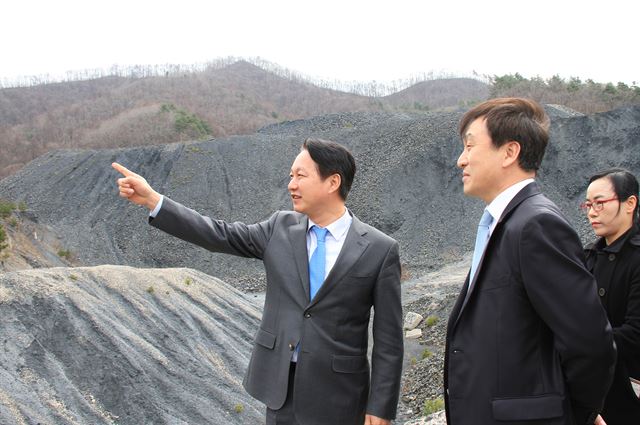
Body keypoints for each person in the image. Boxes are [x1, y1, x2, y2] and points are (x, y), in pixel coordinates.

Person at [112, 138, 403, 425]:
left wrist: (380, 407)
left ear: (332, 182)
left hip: (342, 398)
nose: (291, 184)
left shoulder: (379, 249)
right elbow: (218, 234)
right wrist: (154, 200)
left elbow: (389, 341)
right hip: (280, 391)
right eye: (291, 176)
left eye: (301, 176)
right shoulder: (279, 228)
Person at [444, 97, 616, 425]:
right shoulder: (505, 222)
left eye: (469, 147)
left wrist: (572, 413)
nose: (460, 161)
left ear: (510, 152)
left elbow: (590, 341)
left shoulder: (536, 225)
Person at [583, 168, 640, 424]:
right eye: (588, 205)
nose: (592, 212)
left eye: (600, 203)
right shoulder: (588, 259)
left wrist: (580, 342)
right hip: (597, 394)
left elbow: (636, 332)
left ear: (630, 203)